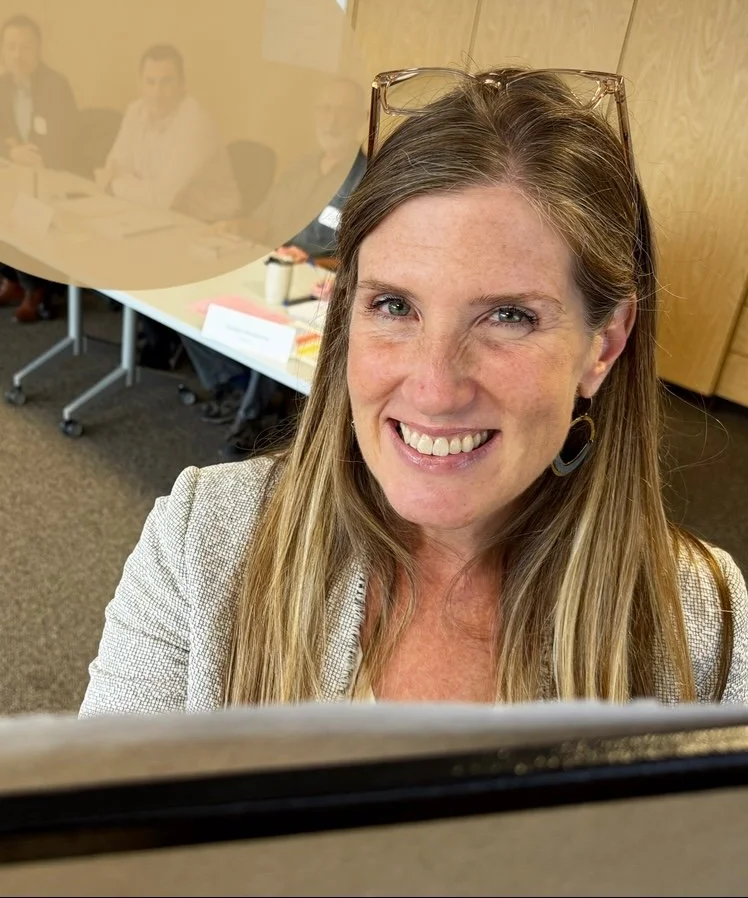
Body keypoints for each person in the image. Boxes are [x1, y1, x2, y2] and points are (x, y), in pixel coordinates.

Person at [80, 66, 748, 716]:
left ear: (602, 345)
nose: (433, 389)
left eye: (509, 316)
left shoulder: (702, 629)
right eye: (395, 305)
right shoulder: (206, 542)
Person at [182, 76, 368, 461]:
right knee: (191, 298)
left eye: (342, 113)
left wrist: (313, 261)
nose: (330, 121)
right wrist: (237, 226)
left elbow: (363, 260)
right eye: (324, 110)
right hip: (273, 271)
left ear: (358, 122)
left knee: (274, 325)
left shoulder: (368, 181)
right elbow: (265, 221)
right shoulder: (302, 168)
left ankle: (255, 417)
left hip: (320, 292)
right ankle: (233, 384)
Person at [97, 43, 241, 368]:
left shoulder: (195, 121)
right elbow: (114, 162)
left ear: (182, 84)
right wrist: (128, 183)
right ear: (140, 83)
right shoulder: (136, 110)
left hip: (208, 224)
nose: (157, 91)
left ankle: (162, 340)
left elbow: (159, 196)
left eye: (166, 81)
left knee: (142, 254)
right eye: (150, 81)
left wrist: (117, 183)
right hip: (159, 217)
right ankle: (157, 333)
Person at [0, 14, 79, 322]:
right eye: (11, 47)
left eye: (26, 47)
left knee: (21, 215)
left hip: (52, 176)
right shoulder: (1, 84)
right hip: (14, 173)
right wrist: (11, 149)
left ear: (39, 49)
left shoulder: (56, 85)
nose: (18, 55)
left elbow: (68, 140)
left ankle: (36, 288)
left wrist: (38, 157)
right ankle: (15, 279)